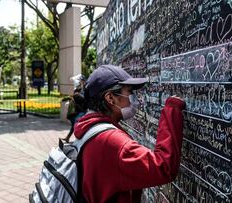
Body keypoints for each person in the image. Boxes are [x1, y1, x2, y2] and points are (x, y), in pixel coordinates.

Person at [74, 64, 185, 203]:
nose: (134, 98)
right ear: (110, 98)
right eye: (129, 92)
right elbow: (163, 167)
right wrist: (172, 110)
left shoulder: (89, 129)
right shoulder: (112, 142)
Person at [63, 75, 87, 142]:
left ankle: (79, 139)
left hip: (82, 109)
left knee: (77, 124)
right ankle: (68, 138)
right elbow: (74, 96)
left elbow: (84, 99)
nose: (80, 82)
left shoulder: (86, 89)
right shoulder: (78, 88)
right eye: (79, 81)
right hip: (76, 109)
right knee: (73, 123)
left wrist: (77, 95)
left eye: (81, 80)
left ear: (84, 81)